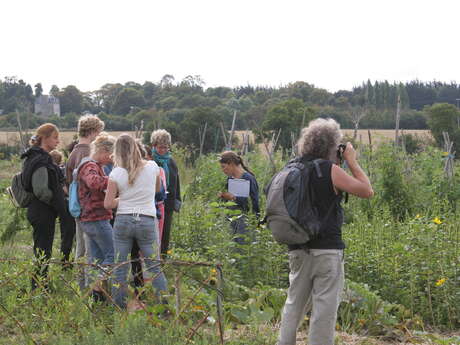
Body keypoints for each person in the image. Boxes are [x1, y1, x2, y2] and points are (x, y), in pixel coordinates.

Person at [276, 118, 374, 345]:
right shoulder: (330, 170)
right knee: (324, 308)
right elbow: (366, 191)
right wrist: (352, 161)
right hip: (327, 251)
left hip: (298, 248)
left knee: (294, 304)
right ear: (333, 146)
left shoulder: (292, 168)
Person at [105, 134, 167, 309]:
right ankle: (164, 307)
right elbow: (156, 190)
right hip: (147, 219)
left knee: (120, 266)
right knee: (154, 266)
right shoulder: (153, 166)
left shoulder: (115, 173)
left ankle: (119, 307)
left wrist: (123, 200)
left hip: (123, 220)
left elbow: (108, 204)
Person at [21, 123, 66, 290]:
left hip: (39, 210)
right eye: (55, 137)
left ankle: (40, 284)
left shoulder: (35, 157)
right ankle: (39, 287)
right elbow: (40, 190)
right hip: (41, 210)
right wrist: (55, 203)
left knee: (42, 248)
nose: (58, 141)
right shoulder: (40, 160)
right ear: (45, 138)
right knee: (42, 250)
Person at [65, 114, 105, 290]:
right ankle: (91, 289)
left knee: (80, 248)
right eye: (98, 132)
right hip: (89, 209)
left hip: (76, 207)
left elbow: (67, 182)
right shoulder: (88, 152)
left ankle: (81, 286)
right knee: (91, 250)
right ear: (93, 131)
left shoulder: (73, 152)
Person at [77, 133, 115, 302]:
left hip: (90, 219)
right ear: (104, 151)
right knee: (114, 255)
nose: (112, 159)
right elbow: (93, 183)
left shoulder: (92, 165)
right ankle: (98, 286)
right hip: (96, 217)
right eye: (111, 154)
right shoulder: (90, 166)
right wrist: (113, 181)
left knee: (96, 259)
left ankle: (96, 297)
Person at [218, 151, 260, 244]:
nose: (223, 170)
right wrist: (223, 196)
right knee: (234, 248)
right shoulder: (230, 179)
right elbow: (228, 200)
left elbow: (253, 203)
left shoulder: (248, 179)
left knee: (244, 247)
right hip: (232, 220)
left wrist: (234, 198)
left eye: (224, 166)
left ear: (232, 164)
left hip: (246, 220)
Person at [150, 129, 181, 256]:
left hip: (168, 203)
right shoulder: (150, 161)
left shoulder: (171, 161)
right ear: (154, 146)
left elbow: (176, 182)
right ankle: (152, 259)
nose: (163, 150)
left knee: (165, 234)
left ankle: (163, 260)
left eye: (165, 147)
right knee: (153, 233)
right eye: (159, 147)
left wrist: (177, 201)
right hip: (153, 203)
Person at [50, 149, 75, 266]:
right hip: (68, 204)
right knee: (69, 235)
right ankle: (67, 263)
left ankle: (64, 261)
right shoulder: (61, 171)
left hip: (60, 205)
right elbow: (65, 188)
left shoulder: (51, 171)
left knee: (65, 235)